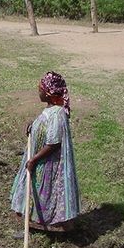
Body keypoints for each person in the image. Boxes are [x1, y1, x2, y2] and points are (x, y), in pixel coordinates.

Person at [10, 71, 80, 232]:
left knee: (47, 192)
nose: (38, 91)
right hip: (39, 158)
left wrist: (34, 159)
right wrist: (33, 125)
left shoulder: (57, 114)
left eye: (40, 88)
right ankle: (36, 220)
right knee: (36, 190)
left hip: (48, 162)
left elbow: (53, 143)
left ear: (48, 94)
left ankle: (49, 223)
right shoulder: (51, 110)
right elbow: (44, 125)